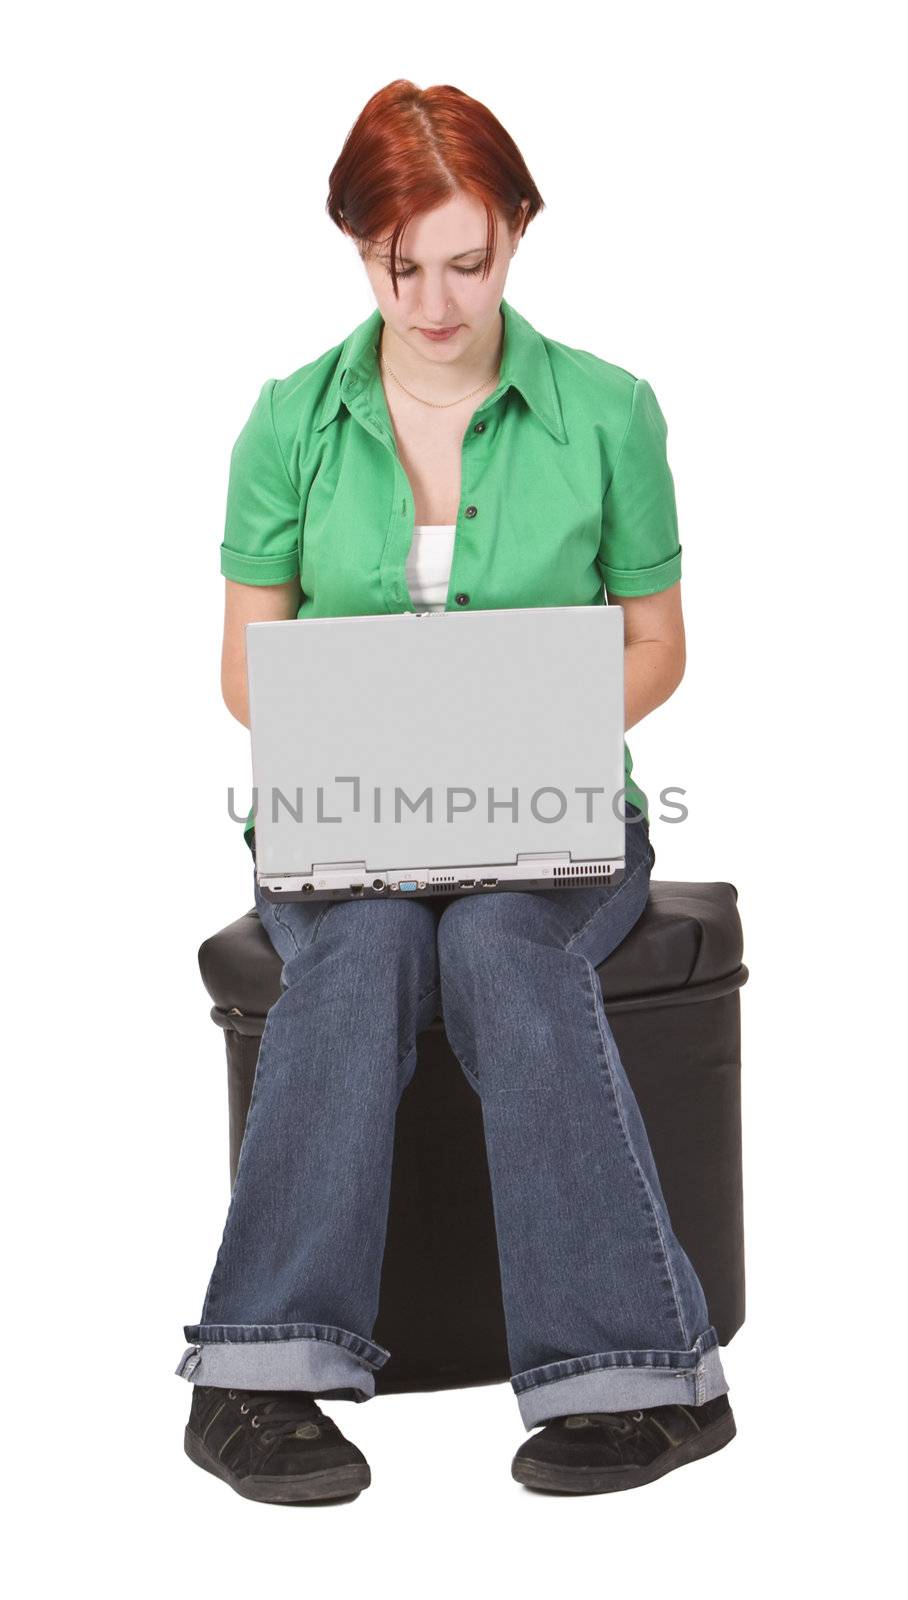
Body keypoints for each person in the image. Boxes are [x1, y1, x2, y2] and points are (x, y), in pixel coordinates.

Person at [176, 78, 737, 1504]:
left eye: (466, 261)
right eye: (397, 266)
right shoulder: (289, 422)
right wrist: (395, 732)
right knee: (358, 957)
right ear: (359, 252)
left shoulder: (608, 412)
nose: (433, 302)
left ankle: (645, 1382)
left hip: (550, 815)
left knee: (499, 943)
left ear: (519, 231)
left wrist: (517, 728)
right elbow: (248, 670)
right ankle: (258, 1376)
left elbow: (660, 643)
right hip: (353, 811)